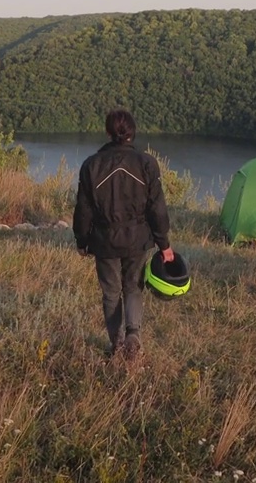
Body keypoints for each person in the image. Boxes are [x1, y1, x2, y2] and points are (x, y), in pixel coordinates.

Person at [74, 108, 175, 363]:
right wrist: (164, 244)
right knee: (133, 287)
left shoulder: (91, 165)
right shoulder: (146, 163)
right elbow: (157, 208)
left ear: (108, 132)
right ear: (133, 132)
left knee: (110, 293)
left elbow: (83, 210)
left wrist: (82, 241)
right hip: (138, 240)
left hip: (104, 240)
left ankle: (116, 343)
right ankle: (133, 334)